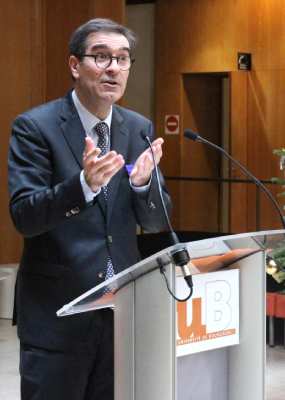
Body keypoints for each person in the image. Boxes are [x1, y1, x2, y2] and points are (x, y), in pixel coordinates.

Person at [8, 18, 171, 399]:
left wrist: (143, 185)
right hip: (59, 315)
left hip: (122, 313)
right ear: (74, 65)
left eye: (123, 59)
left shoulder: (138, 126)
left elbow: (157, 220)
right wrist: (84, 185)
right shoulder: (36, 126)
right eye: (101, 57)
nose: (113, 68)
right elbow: (25, 217)